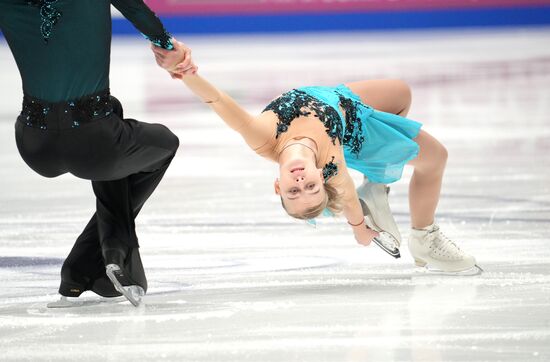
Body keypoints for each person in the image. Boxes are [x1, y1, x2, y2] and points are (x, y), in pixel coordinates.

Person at [154, 41, 481, 274]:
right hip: (354, 128)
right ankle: (424, 237)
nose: (300, 182)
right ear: (322, 177)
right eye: (311, 187)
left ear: (278, 186)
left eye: (293, 190)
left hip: (340, 98)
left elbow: (217, 99)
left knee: (401, 94)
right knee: (435, 157)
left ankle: (377, 184)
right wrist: (359, 229)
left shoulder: (261, 138)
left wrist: (185, 71)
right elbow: (349, 201)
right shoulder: (333, 166)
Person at [0, 0, 191, 306]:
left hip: (34, 144)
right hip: (94, 142)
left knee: (111, 114)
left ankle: (82, 271)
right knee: (164, 143)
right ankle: (104, 254)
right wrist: (168, 47)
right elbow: (139, 13)